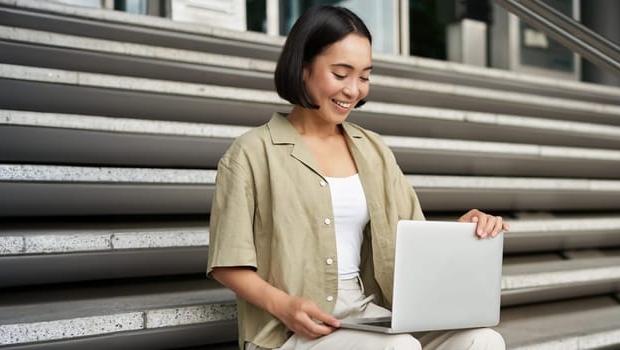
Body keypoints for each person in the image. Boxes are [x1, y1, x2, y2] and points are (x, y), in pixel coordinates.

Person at [206, 5, 508, 350]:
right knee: (399, 348)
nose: (354, 90)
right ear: (303, 68)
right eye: (340, 73)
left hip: (368, 315)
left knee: (483, 340)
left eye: (364, 76)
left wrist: (465, 232)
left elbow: (414, 240)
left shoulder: (374, 150)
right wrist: (285, 306)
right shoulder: (251, 153)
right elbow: (226, 263)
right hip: (293, 330)